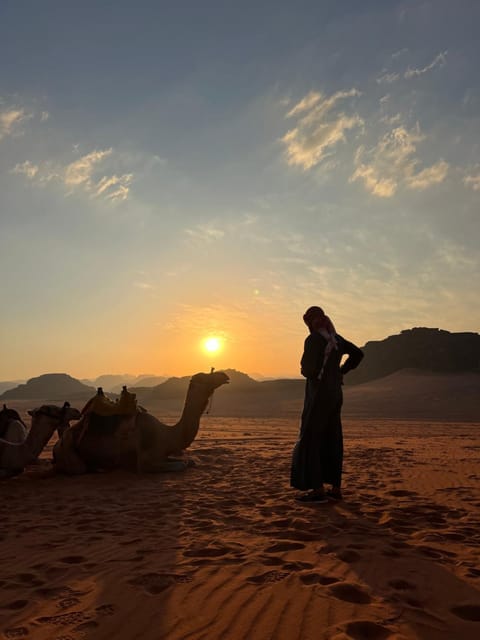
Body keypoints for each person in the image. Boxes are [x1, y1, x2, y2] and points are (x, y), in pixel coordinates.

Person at [291, 306, 364, 503]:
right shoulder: (337, 339)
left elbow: (307, 370)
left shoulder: (314, 339)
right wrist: (341, 371)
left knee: (311, 437)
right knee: (333, 436)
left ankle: (317, 490)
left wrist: (315, 373)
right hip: (335, 394)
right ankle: (335, 488)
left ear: (309, 322)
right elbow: (358, 354)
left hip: (319, 395)